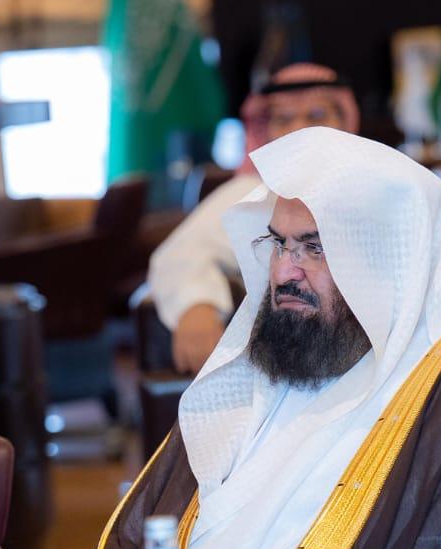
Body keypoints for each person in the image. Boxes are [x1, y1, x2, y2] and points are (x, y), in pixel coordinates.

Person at [83, 127, 441, 549]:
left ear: (382, 261)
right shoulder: (249, 376)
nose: (284, 272)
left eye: (315, 248)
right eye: (279, 244)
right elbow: (134, 548)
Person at [147, 64, 360, 375]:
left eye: (316, 116)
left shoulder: (377, 189)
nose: (299, 129)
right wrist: (196, 306)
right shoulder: (251, 194)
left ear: (345, 122)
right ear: (265, 129)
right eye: (283, 119)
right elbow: (181, 254)